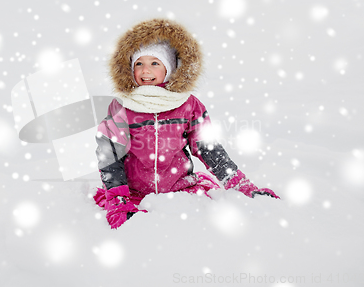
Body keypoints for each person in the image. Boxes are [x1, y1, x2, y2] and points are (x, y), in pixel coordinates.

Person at [93, 18, 279, 229]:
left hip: (180, 192)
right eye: (139, 64)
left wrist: (239, 183)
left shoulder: (187, 104)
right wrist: (118, 200)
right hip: (136, 194)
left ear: (170, 68)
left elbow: (208, 148)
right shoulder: (123, 106)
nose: (145, 71)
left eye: (154, 63)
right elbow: (109, 154)